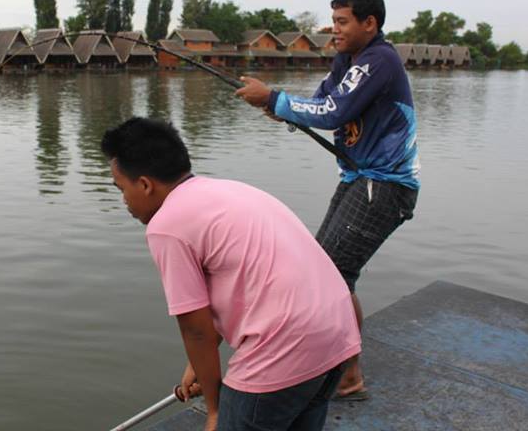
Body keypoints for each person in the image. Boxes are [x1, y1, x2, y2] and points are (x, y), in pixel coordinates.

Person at [101, 117, 361, 431]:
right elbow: (249, 284)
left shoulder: (167, 225)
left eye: (122, 189)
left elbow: (194, 329)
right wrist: (198, 365)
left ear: (144, 184)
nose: (124, 200)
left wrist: (214, 409)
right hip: (337, 335)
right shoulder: (230, 191)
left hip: (285, 346)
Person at [235, 0, 420, 400]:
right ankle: (344, 369)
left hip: (386, 185)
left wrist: (277, 98)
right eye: (333, 20)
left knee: (331, 277)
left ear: (369, 24)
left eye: (342, 22)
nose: (332, 30)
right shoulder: (347, 60)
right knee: (328, 272)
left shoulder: (380, 60)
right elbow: (322, 102)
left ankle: (343, 371)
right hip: (361, 178)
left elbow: (333, 113)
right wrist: (275, 106)